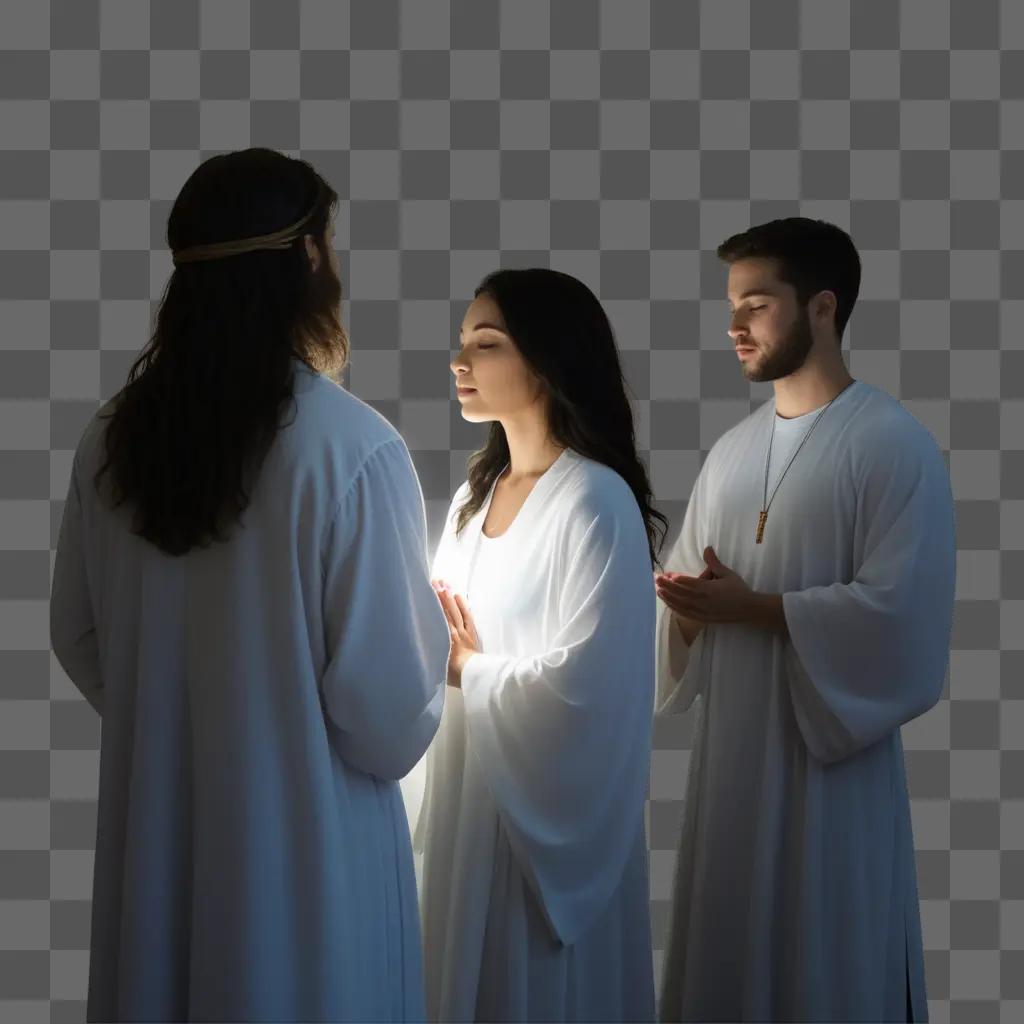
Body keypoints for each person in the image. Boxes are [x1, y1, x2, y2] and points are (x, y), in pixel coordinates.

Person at [49, 147, 450, 1023]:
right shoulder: (353, 449)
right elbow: (386, 717)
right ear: (307, 258)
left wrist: (178, 716)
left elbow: (77, 635)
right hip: (308, 871)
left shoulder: (109, 439)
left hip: (159, 842)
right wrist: (440, 641)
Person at [653, 217, 956, 1022]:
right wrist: (686, 613)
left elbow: (906, 621)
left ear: (822, 308)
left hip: (831, 778)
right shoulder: (730, 452)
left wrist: (755, 608)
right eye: (731, 305)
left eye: (756, 303)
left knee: (826, 963)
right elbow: (680, 604)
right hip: (733, 768)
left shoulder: (893, 444)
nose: (734, 325)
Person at [405, 268, 662, 1022]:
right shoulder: (469, 501)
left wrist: (470, 669)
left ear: (547, 361)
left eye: (486, 344)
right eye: (461, 344)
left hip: (541, 826)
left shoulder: (594, 500)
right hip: (462, 794)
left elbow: (598, 686)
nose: (461, 363)